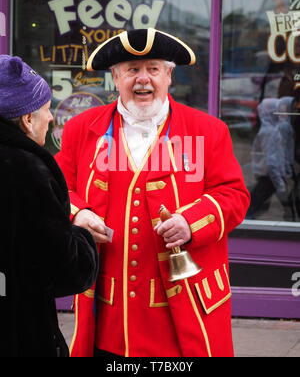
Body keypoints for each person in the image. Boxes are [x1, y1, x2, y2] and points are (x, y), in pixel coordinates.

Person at [56, 28, 250, 357]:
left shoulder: (206, 130)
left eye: (153, 69)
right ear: (115, 77)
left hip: (183, 309)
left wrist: (192, 223)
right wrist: (80, 213)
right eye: (132, 69)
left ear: (169, 76)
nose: (143, 80)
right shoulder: (82, 129)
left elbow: (234, 194)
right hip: (109, 314)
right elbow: (59, 188)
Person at [0, 55, 99, 357]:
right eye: (45, 110)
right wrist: (82, 236)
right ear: (27, 119)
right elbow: (63, 271)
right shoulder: (27, 170)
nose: (52, 118)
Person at [247, 98, 294, 220]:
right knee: (255, 204)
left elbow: (277, 155)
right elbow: (271, 161)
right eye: (277, 110)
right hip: (270, 176)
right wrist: (280, 182)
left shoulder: (271, 130)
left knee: (258, 203)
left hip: (271, 175)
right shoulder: (270, 132)